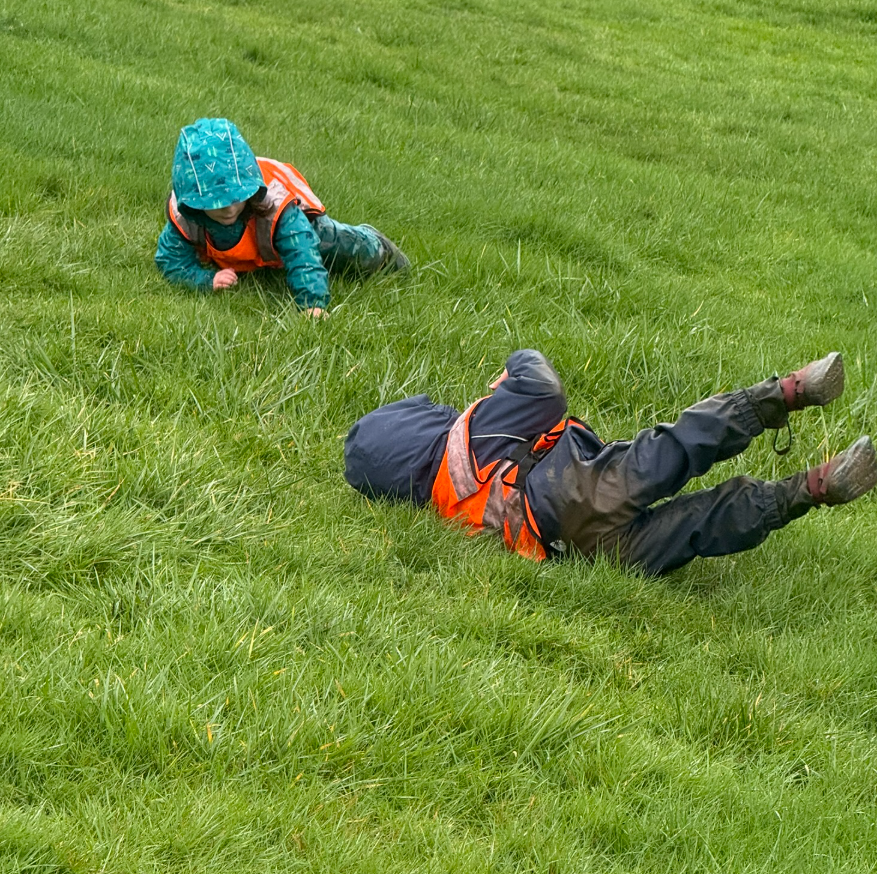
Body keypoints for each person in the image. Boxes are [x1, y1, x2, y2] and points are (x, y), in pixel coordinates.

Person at [344, 349, 877, 575]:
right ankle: (785, 393)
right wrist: (511, 372)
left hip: (572, 551)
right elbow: (545, 389)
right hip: (566, 491)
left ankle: (816, 487)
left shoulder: (441, 491)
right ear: (419, 424)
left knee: (700, 526)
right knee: (676, 447)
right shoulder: (468, 435)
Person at [155, 118, 409, 317]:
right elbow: (171, 261)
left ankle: (380, 247)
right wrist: (206, 280)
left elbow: (303, 253)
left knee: (343, 248)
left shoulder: (276, 207)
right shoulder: (185, 216)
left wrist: (312, 304)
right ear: (195, 203)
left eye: (237, 198)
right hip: (259, 247)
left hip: (302, 225)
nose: (229, 209)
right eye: (216, 204)